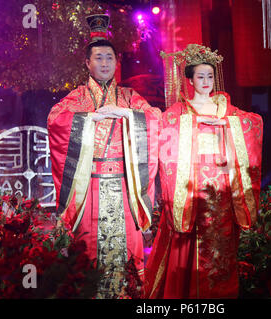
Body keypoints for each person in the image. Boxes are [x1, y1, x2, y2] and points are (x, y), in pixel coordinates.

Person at [47, 14, 160, 298]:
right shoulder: (76, 99)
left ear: (116, 62)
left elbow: (155, 119)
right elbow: (55, 120)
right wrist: (89, 119)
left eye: (109, 58)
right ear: (87, 63)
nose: (105, 63)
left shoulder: (130, 97)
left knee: (128, 255)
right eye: (98, 58)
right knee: (89, 248)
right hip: (90, 188)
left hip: (124, 187)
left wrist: (126, 114)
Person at [144, 44, 263, 298]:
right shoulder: (180, 112)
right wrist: (195, 123)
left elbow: (253, 122)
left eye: (210, 76)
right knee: (188, 243)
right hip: (191, 186)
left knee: (221, 245)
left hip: (222, 185)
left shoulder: (228, 110)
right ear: (190, 80)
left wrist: (225, 123)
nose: (206, 81)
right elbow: (164, 126)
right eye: (200, 76)